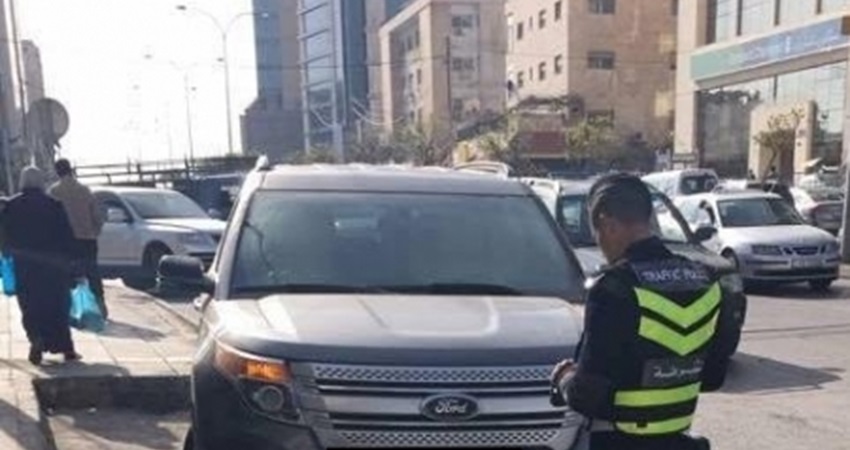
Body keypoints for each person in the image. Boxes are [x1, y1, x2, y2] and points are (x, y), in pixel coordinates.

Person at [551, 173, 726, 450]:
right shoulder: (707, 280)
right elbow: (713, 377)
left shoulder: (614, 288)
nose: (599, 243)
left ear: (608, 225)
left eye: (597, 233)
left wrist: (565, 379)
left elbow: (587, 397)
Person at [4, 166, 80, 365]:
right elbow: (66, 235)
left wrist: (8, 251)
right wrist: (72, 260)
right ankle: (66, 347)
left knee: (30, 305)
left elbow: (5, 234)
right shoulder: (54, 205)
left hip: (25, 264)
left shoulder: (12, 206)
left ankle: (36, 338)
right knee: (57, 305)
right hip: (53, 265)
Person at [48, 159, 107, 319]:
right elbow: (97, 217)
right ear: (71, 170)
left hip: (65, 241)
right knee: (93, 273)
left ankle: (74, 310)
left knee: (68, 276)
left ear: (57, 172)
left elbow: (50, 219)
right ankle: (101, 307)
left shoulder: (54, 192)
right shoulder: (85, 190)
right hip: (87, 239)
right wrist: (94, 232)